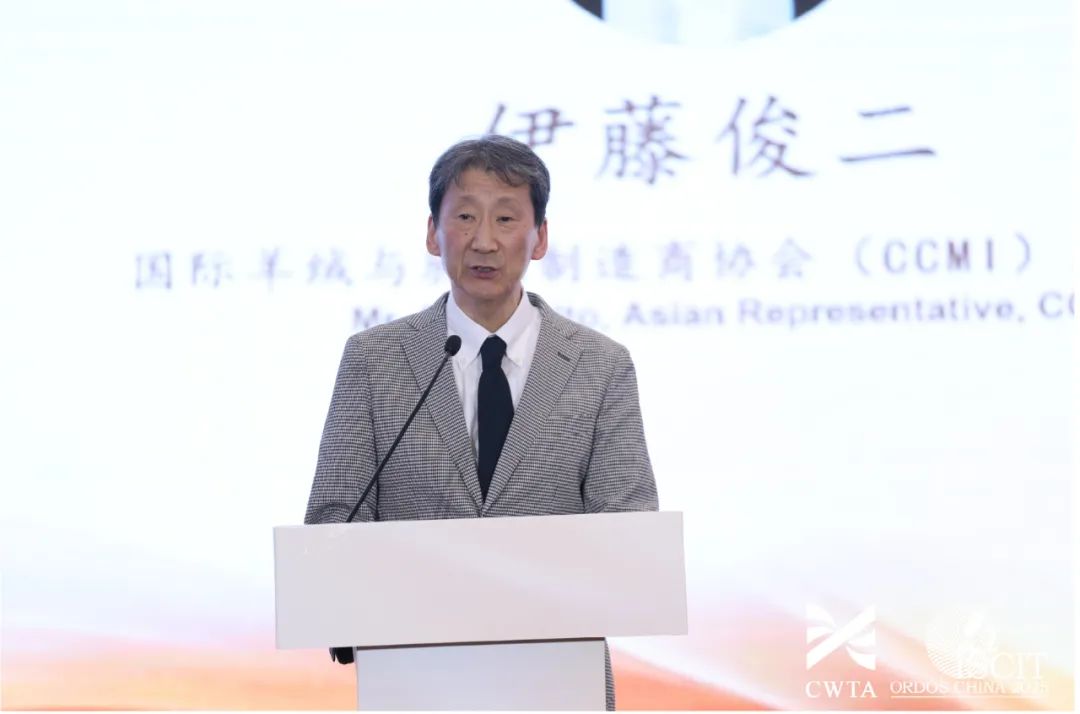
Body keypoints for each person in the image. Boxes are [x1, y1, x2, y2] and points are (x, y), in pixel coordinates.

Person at [304, 134, 658, 710]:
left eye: (506, 218)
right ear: (432, 233)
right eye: (465, 216)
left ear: (540, 237)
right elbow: (333, 521)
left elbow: (630, 532)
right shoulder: (374, 359)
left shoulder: (600, 365)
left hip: (557, 684)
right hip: (415, 684)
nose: (484, 240)